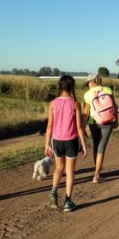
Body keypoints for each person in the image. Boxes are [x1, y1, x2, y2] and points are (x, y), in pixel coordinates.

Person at [44, 75, 87, 212]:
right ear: (72, 87)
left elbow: (50, 126)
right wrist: (84, 145)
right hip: (71, 140)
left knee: (58, 169)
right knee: (70, 171)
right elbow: (79, 127)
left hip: (56, 140)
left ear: (60, 86)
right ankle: (68, 201)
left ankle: (53, 191)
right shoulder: (75, 104)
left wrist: (47, 144)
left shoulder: (53, 103)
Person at [83, 73, 118, 183]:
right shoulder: (107, 89)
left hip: (93, 121)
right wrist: (116, 119)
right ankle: (97, 175)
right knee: (101, 147)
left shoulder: (87, 94)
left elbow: (86, 112)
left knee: (96, 145)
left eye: (88, 82)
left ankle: (97, 171)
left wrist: (83, 126)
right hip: (107, 121)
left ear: (92, 81)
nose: (88, 84)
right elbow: (114, 105)